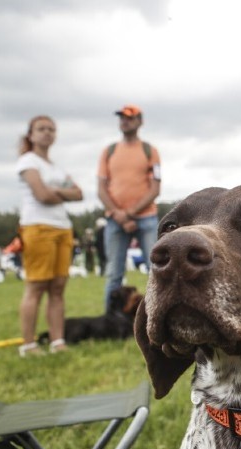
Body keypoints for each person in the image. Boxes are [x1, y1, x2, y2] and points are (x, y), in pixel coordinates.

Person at [16, 115, 83, 356]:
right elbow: (41, 195)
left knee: (57, 288)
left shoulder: (55, 168)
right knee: (36, 287)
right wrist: (61, 192)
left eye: (51, 129)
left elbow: (80, 194)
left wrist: (54, 190)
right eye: (41, 129)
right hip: (38, 227)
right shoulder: (27, 161)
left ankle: (57, 341)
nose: (47, 133)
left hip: (63, 228)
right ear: (31, 134)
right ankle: (29, 344)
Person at [97, 105, 161, 309]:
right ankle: (110, 320)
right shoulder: (109, 151)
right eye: (122, 118)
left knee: (157, 271)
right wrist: (120, 216)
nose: (125, 121)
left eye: (130, 118)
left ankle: (157, 316)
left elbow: (155, 188)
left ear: (140, 121)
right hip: (115, 220)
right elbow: (101, 188)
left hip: (147, 218)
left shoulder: (150, 151)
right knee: (114, 273)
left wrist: (131, 213)